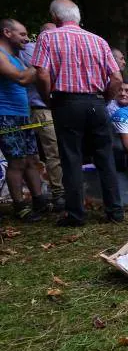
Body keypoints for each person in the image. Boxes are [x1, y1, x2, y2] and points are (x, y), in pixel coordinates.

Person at [32, 0, 123, 227]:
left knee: (71, 158)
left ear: (54, 17)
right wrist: (105, 99)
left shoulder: (48, 37)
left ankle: (76, 215)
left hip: (66, 102)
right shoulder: (98, 40)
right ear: (78, 17)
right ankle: (115, 211)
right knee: (105, 156)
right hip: (96, 102)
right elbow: (117, 78)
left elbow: (42, 74)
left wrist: (48, 99)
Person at [0, 19, 46, 222]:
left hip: (22, 114)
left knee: (32, 159)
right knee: (16, 161)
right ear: (7, 32)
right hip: (6, 115)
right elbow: (21, 78)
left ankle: (39, 200)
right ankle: (20, 206)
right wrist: (42, 64)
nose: (27, 39)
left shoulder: (16, 57)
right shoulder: (1, 56)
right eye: (22, 34)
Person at [19, 22, 63, 212]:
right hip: (41, 108)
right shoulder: (30, 49)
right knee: (51, 151)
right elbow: (40, 75)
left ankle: (57, 192)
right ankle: (57, 193)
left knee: (57, 150)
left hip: (58, 107)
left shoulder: (59, 51)